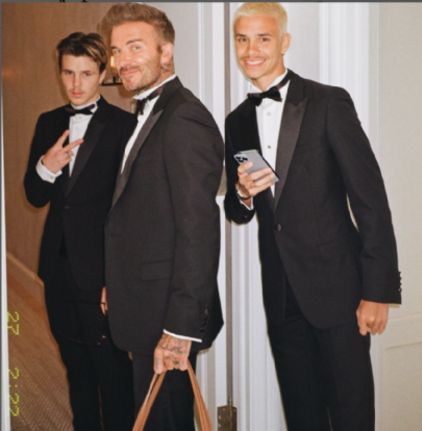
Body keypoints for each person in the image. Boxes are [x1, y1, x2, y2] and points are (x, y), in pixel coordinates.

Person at [223, 3, 401, 430]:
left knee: (351, 414)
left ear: (284, 42)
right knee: (302, 415)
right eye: (242, 39)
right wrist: (242, 194)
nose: (251, 50)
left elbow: (370, 198)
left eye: (263, 38)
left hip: (340, 292)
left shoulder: (327, 102)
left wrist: (378, 290)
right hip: (282, 297)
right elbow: (237, 210)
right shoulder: (237, 121)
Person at [100, 4, 224, 429]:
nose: (122, 61)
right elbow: (141, 215)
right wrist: (115, 280)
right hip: (142, 302)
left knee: (166, 420)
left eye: (135, 47)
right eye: (117, 51)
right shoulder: (149, 112)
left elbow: (199, 229)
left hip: (167, 317)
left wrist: (180, 329)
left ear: (165, 52)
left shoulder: (184, 116)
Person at [23, 32, 136, 431]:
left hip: (101, 272)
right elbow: (34, 195)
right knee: (75, 367)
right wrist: (46, 167)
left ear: (103, 73)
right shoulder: (48, 122)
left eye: (86, 74)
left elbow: (128, 211)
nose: (75, 84)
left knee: (112, 372)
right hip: (57, 269)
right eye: (68, 72)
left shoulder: (124, 125)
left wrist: (115, 278)